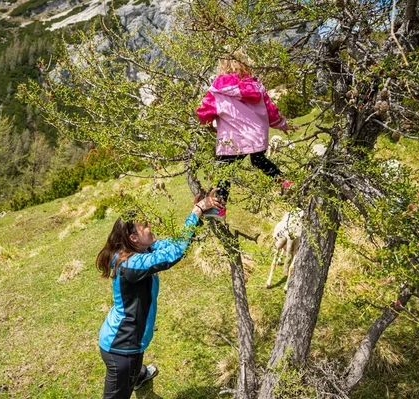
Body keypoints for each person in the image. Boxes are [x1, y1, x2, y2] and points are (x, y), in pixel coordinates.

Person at [97, 190, 222, 398]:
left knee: (135, 361)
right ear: (133, 237)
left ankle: (138, 376)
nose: (150, 226)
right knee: (123, 378)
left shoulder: (144, 250)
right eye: (144, 225)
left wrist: (197, 216)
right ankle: (132, 376)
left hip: (132, 341)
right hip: (120, 347)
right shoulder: (130, 264)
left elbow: (177, 243)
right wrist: (197, 210)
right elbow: (173, 255)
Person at [196, 52, 299, 220]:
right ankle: (285, 183)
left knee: (225, 171)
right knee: (259, 160)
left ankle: (219, 209)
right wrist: (283, 125)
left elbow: (204, 113)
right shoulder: (255, 85)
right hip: (255, 136)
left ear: (222, 66)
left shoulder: (217, 89)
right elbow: (271, 110)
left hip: (233, 139)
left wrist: (210, 121)